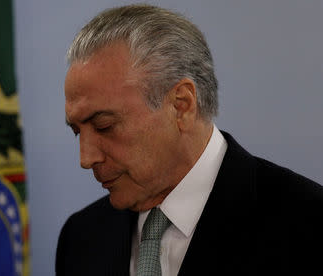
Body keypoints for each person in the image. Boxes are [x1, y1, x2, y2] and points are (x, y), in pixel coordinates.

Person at [56, 4, 323, 276]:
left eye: (104, 126)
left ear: (181, 105)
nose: (86, 159)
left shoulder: (308, 225)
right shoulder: (80, 238)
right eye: (77, 132)